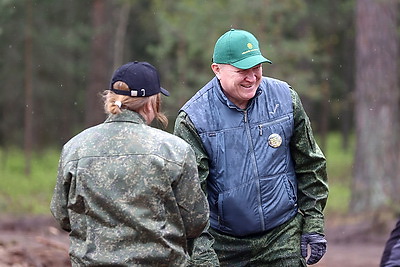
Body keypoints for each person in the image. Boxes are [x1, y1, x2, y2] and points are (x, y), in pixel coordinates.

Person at [174, 29, 329, 266]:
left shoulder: (285, 99)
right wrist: (203, 254)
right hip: (223, 243)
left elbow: (310, 164)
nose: (251, 77)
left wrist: (313, 223)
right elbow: (191, 196)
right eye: (241, 71)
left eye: (256, 68)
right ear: (216, 69)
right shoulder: (194, 118)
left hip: (282, 235)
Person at [50, 61, 210, 266]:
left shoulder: (75, 148)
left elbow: (62, 215)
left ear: (111, 98)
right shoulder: (174, 150)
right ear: (151, 103)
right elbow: (195, 222)